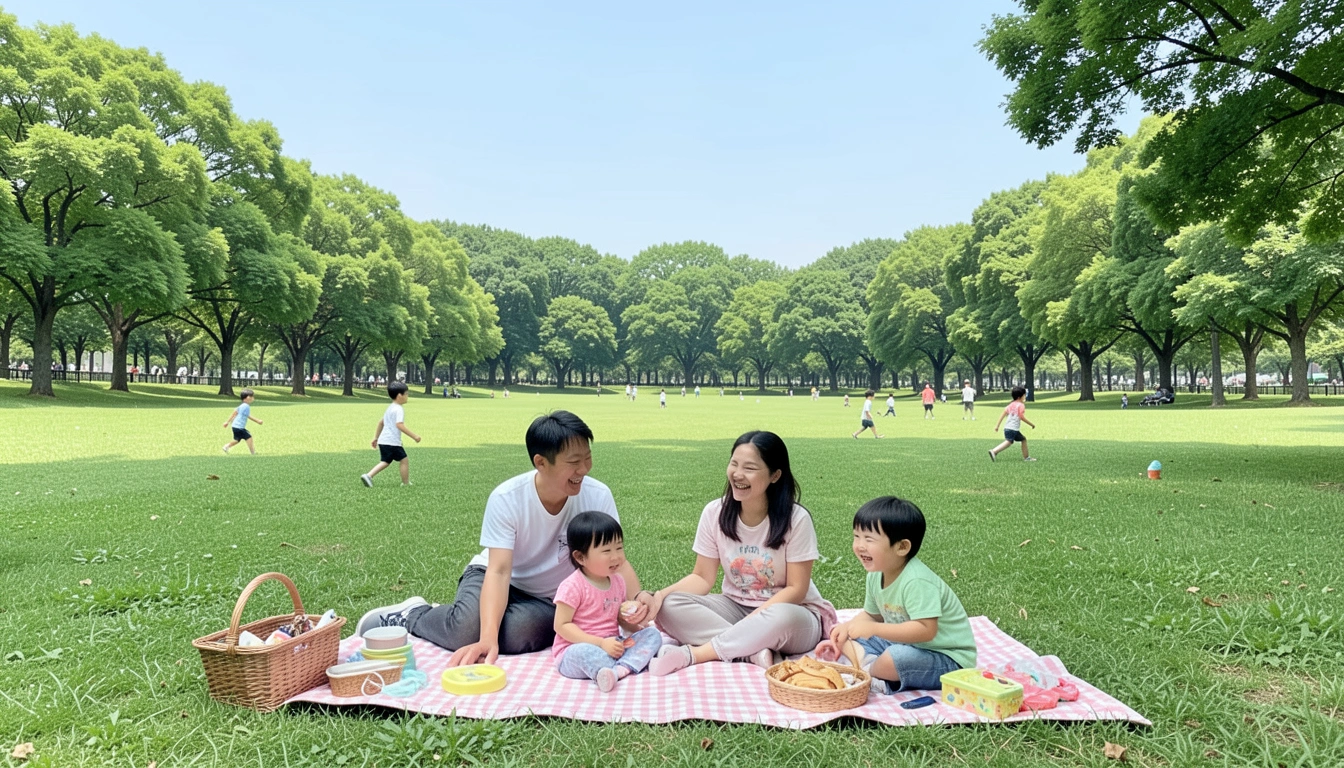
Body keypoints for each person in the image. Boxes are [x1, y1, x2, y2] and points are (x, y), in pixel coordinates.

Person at [355, 411, 648, 663]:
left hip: (547, 597)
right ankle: (414, 614)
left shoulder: (597, 495)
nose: (583, 470)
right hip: (493, 576)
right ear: (541, 462)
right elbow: (499, 570)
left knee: (523, 631)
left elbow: (615, 560)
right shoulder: (508, 498)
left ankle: (475, 619)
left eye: (587, 458)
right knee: (466, 633)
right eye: (574, 462)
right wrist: (486, 639)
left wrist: (636, 604)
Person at [641, 431, 837, 674]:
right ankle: (751, 652)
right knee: (670, 606)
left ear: (775, 475)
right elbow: (702, 578)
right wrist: (657, 597)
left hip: (791, 615)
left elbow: (796, 590)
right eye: (734, 463)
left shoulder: (796, 519)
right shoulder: (715, 513)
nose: (737, 474)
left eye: (750, 468)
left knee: (780, 616)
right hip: (734, 606)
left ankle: (697, 654)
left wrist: (753, 623)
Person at [814, 497, 976, 693]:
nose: (859, 545)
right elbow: (872, 615)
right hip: (908, 644)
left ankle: (869, 673)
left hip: (946, 658)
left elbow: (926, 630)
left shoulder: (917, 581)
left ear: (902, 547)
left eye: (869, 539)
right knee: (849, 638)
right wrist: (847, 629)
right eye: (856, 536)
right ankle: (872, 667)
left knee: (895, 658)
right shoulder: (875, 574)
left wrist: (874, 628)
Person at [552, 512, 663, 692]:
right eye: (606, 551)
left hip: (613, 645)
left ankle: (618, 670)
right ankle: (626, 665)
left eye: (619, 548)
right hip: (575, 650)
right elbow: (561, 625)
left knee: (653, 635)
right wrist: (600, 643)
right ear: (580, 557)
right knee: (583, 653)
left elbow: (616, 618)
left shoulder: (617, 580)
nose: (616, 556)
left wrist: (634, 626)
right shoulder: (572, 586)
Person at [361, 382, 422, 487]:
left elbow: (381, 422)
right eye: (406, 394)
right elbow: (399, 425)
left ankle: (369, 475)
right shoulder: (399, 409)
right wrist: (414, 436)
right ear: (399, 396)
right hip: (392, 442)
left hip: (384, 441)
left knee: (385, 461)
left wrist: (376, 438)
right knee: (404, 460)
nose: (408, 396)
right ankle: (405, 483)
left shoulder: (390, 408)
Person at [989, 385, 1036, 462]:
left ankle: (1026, 457)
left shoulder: (1010, 405)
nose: (1025, 397)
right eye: (1024, 395)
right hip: (1013, 428)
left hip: (1007, 428)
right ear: (1019, 397)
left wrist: (997, 426)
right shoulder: (1021, 405)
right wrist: (1031, 424)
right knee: (1009, 441)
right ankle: (994, 451)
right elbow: (1021, 416)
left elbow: (1003, 415)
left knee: (1023, 439)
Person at [222, 389, 262, 454]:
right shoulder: (246, 406)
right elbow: (248, 416)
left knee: (237, 440)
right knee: (249, 437)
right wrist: (258, 421)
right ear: (247, 397)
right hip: (239, 427)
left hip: (235, 426)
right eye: (252, 396)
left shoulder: (241, 405)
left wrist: (227, 422)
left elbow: (234, 413)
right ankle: (253, 452)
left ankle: (226, 446)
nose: (253, 398)